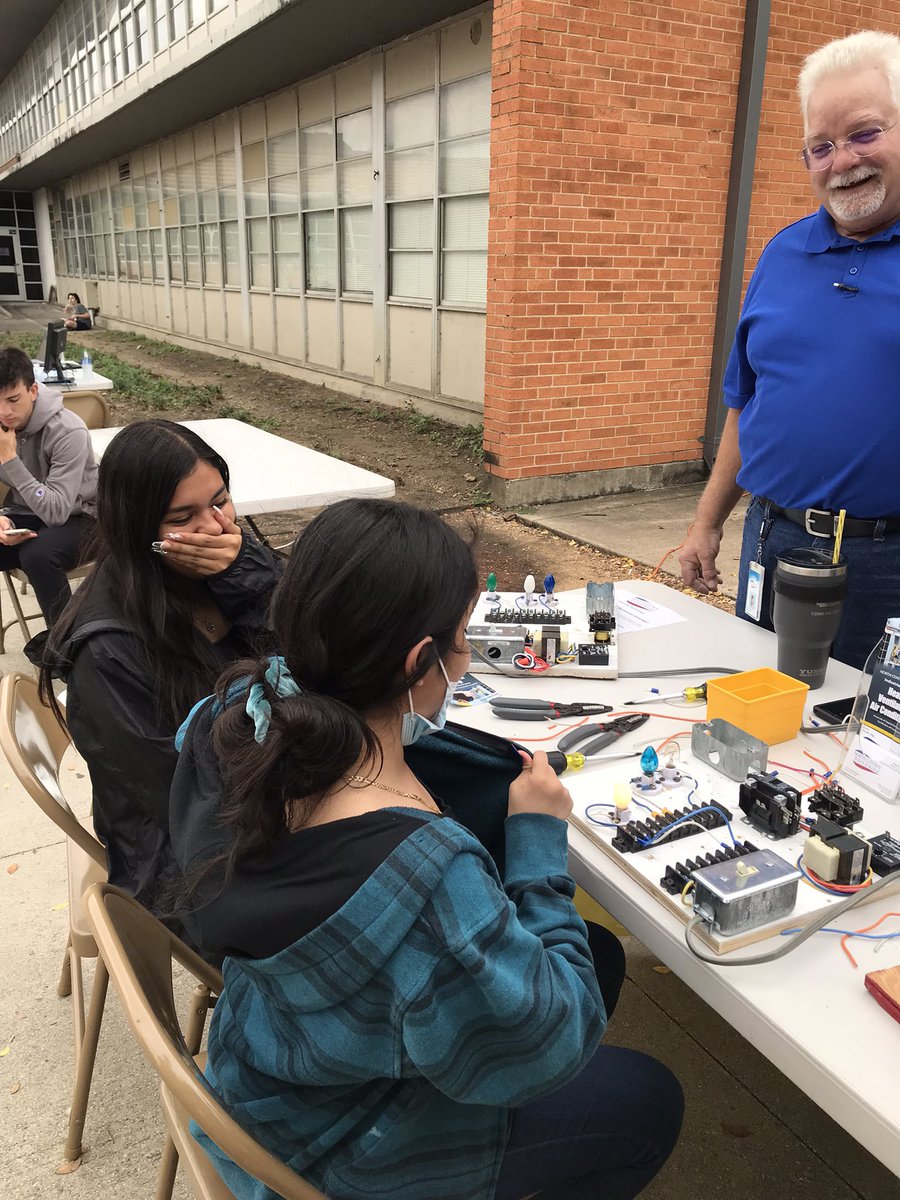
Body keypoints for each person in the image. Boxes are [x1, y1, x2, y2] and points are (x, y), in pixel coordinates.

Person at [170, 498, 683, 1200]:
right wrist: (535, 843)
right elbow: (552, 1043)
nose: (466, 659)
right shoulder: (425, 870)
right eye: (463, 640)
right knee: (650, 1098)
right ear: (421, 663)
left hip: (272, 1078)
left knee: (595, 954)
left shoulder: (232, 720)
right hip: (350, 1150)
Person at [679, 29, 900, 669]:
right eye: (820, 146)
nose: (842, 160)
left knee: (865, 746)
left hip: (886, 561)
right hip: (771, 539)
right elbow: (747, 402)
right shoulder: (782, 253)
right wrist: (707, 524)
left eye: (865, 133)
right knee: (760, 722)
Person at [39, 419, 281, 918]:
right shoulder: (108, 651)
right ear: (139, 528)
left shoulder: (228, 569)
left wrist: (252, 579)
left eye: (220, 500)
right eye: (183, 516)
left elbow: (320, 648)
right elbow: (189, 799)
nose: (215, 528)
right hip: (197, 866)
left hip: (276, 794)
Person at [0, 346, 97, 622]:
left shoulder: (68, 431)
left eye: (13, 399)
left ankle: (66, 645)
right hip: (28, 513)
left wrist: (9, 458)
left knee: (38, 554)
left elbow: (56, 512)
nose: (4, 412)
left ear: (33, 391)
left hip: (83, 516)